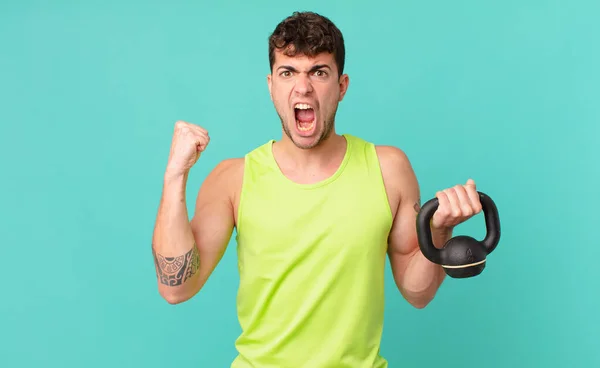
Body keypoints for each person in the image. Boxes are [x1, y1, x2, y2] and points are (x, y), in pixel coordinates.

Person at [151, 11, 483, 368]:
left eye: (318, 72)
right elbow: (176, 288)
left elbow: (417, 293)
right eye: (288, 72)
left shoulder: (389, 169)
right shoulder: (234, 179)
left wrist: (440, 230)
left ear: (341, 87)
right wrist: (174, 176)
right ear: (271, 86)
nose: (303, 87)